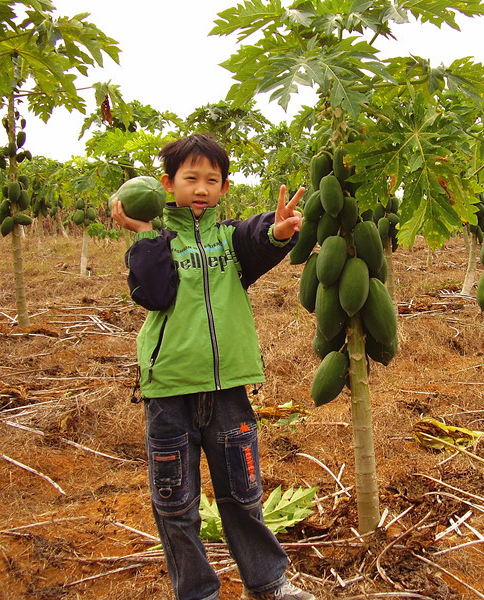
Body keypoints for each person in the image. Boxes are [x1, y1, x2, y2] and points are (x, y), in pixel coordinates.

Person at [111, 133, 314, 600]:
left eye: (212, 180)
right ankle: (197, 592)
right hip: (170, 391)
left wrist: (278, 231)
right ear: (168, 184)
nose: (201, 188)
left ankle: (266, 583)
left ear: (223, 188)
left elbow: (256, 238)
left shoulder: (230, 240)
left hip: (227, 389)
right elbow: (153, 294)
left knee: (243, 494)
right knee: (176, 502)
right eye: (190, 178)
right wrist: (142, 236)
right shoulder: (158, 241)